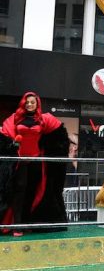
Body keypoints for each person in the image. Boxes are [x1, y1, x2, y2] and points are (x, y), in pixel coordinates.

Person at [0, 92, 69, 234]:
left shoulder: (43, 119)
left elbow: (58, 135)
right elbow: (6, 136)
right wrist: (12, 145)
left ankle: (27, 223)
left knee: (33, 192)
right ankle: (16, 226)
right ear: (23, 104)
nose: (30, 104)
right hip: (21, 161)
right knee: (19, 192)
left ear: (37, 103)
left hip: (37, 161)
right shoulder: (15, 118)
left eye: (32, 102)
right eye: (27, 102)